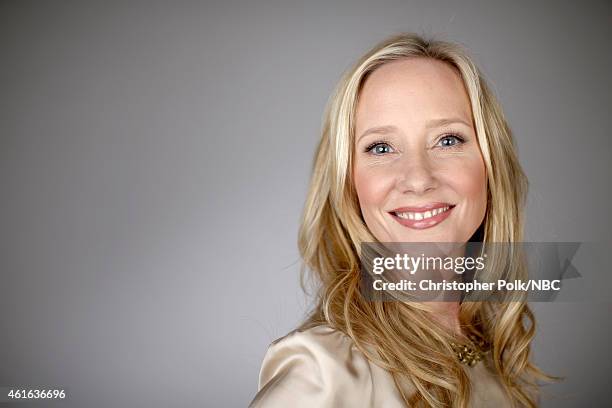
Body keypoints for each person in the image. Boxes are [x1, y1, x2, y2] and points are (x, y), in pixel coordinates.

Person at [249, 33, 553, 408]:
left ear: (491, 165)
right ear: (349, 184)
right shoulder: (323, 374)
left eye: (447, 140)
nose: (418, 179)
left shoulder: (489, 352)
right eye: (381, 147)